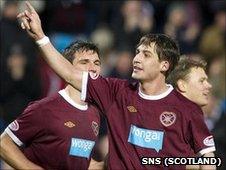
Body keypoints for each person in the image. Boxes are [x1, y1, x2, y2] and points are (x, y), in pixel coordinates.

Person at [17, 2, 216, 169]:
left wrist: (172, 162)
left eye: (146, 55)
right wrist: (40, 37)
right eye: (137, 52)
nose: (136, 58)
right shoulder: (116, 92)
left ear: (164, 65)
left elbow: (209, 159)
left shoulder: (187, 109)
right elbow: (69, 73)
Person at [0, 40, 102, 169]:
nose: (93, 67)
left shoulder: (94, 113)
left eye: (96, 63)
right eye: (84, 62)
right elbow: (4, 143)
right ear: (66, 67)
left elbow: (80, 162)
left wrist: (105, 164)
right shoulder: (45, 109)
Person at [167, 56, 213, 169]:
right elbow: (208, 157)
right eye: (202, 81)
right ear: (182, 85)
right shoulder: (192, 111)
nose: (209, 85)